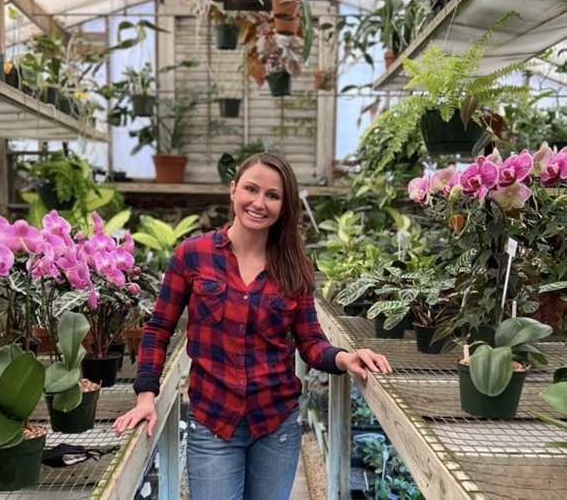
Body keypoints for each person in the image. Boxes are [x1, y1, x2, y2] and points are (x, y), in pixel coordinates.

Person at [113, 153, 392, 500]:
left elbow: (311, 342)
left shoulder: (294, 267)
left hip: (276, 426)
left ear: (284, 206)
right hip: (213, 423)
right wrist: (146, 397)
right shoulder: (193, 255)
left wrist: (344, 358)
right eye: (251, 189)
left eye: (273, 195)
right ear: (233, 190)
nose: (260, 203)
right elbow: (158, 330)